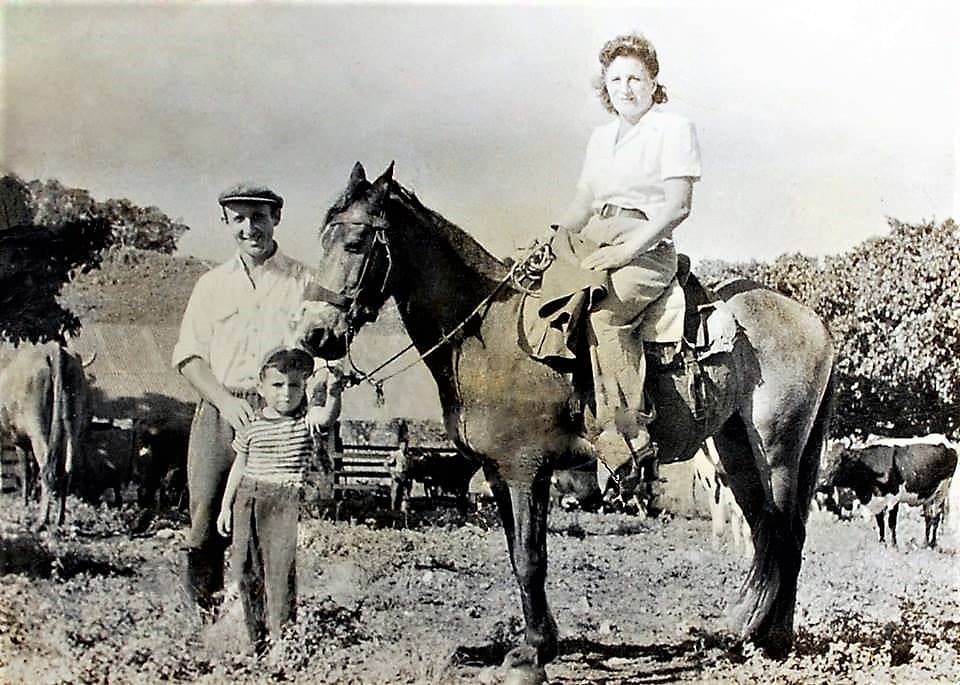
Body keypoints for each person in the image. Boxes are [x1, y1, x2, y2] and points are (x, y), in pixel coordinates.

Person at [171, 182, 338, 620]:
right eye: (239, 219)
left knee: (270, 526)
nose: (250, 228)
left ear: (276, 219)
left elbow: (319, 354)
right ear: (227, 223)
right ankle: (201, 624)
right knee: (206, 519)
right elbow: (188, 357)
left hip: (277, 418)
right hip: (220, 411)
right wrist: (226, 402)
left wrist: (315, 398)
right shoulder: (210, 285)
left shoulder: (303, 281)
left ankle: (268, 631)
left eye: (259, 217)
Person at [553, 33, 702, 495]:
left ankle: (627, 441)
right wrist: (556, 233)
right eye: (616, 79)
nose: (626, 87)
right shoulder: (601, 138)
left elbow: (677, 206)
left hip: (648, 246)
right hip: (597, 235)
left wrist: (627, 250)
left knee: (605, 314)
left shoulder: (673, 128)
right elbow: (584, 199)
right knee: (546, 304)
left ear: (654, 81)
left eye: (635, 77)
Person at [216, 347, 340, 653]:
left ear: (304, 388)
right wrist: (225, 506)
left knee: (280, 571)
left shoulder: (306, 420)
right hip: (248, 497)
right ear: (260, 388)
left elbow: (327, 415)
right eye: (277, 385)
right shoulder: (251, 425)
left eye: (295, 385)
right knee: (247, 569)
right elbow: (240, 465)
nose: (286, 393)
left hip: (284, 499)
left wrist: (335, 393)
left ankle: (283, 639)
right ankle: (255, 638)